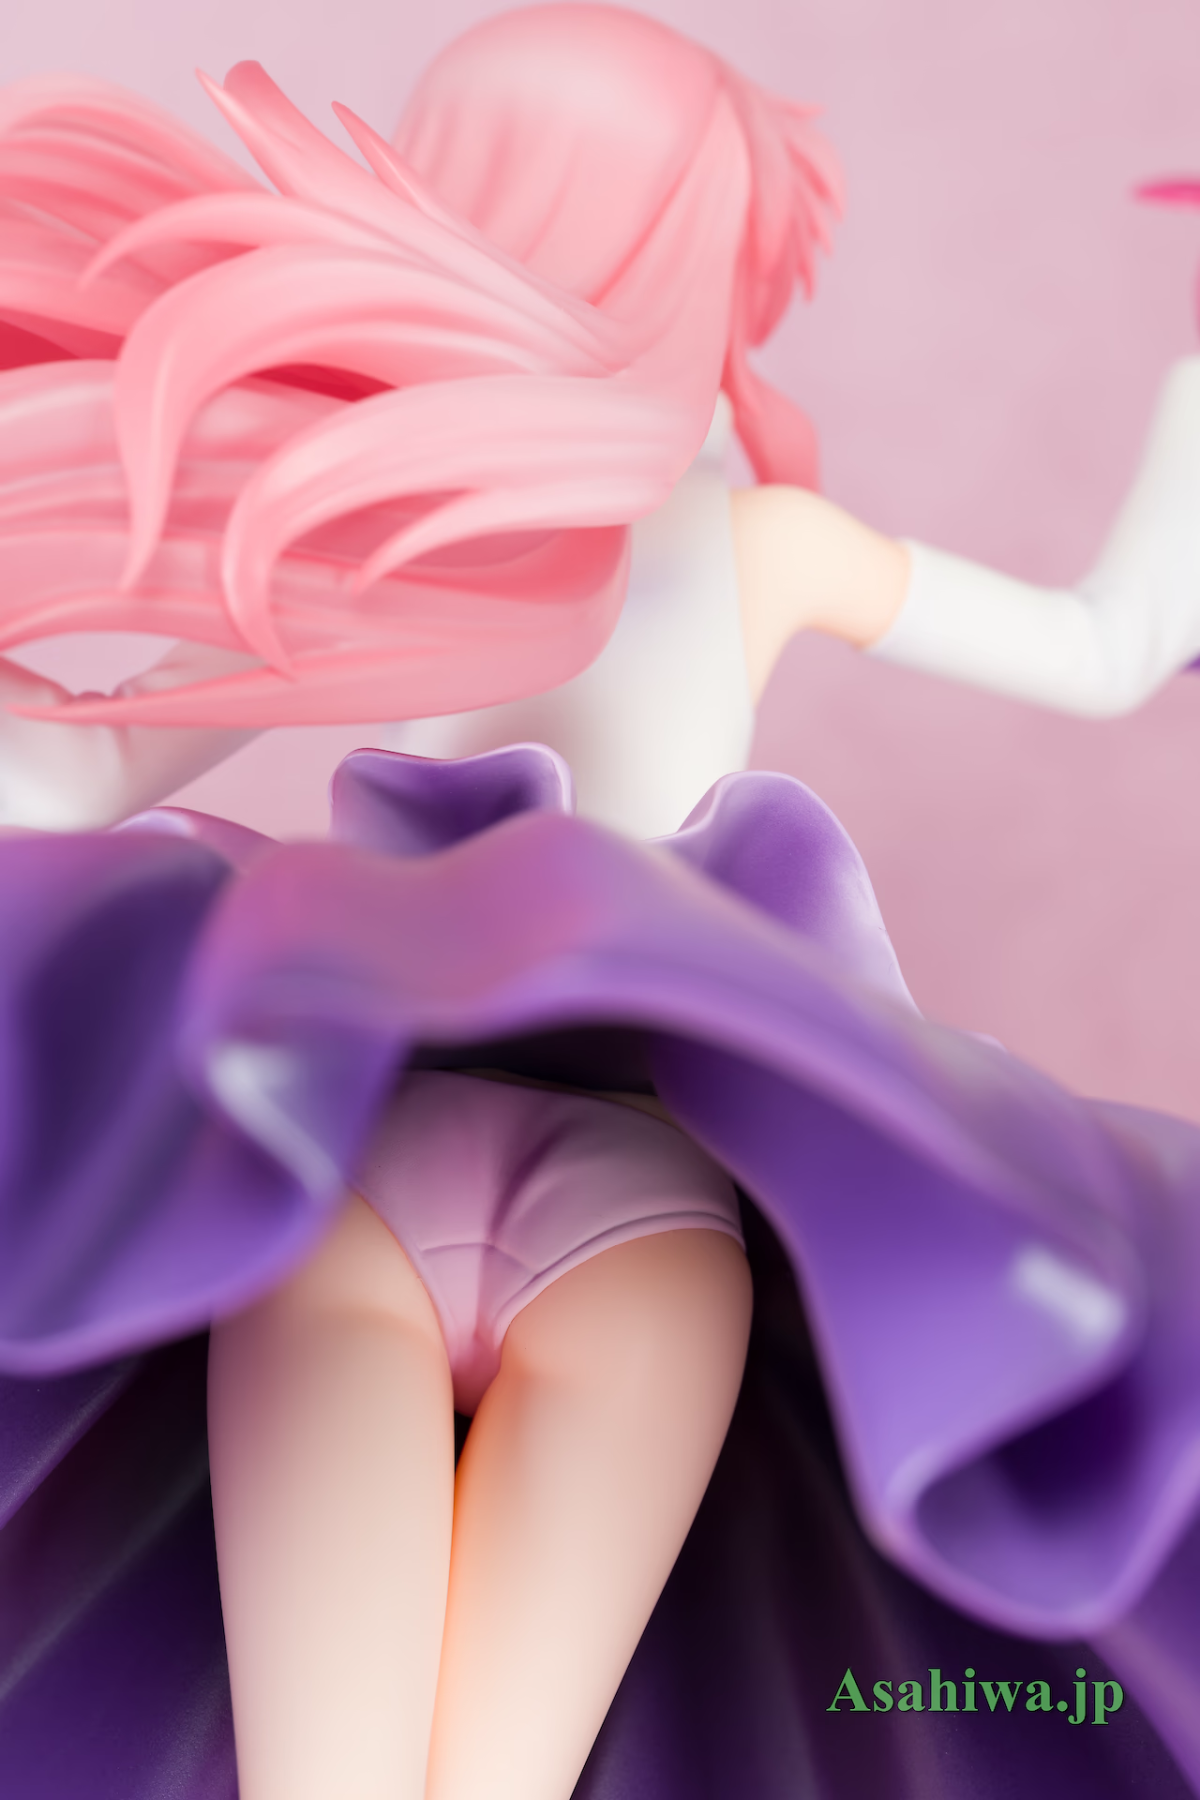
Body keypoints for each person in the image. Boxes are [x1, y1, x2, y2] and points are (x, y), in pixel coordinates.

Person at [2, 9, 1200, 1799]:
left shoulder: (363, 522)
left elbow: (67, 775)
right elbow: (1111, 645)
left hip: (359, 1192)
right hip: (635, 1221)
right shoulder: (741, 545)